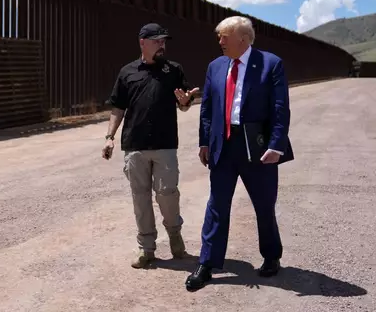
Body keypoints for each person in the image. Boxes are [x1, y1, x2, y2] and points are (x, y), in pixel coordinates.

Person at [185, 16, 294, 291]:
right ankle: (207, 263)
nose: (220, 42)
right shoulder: (216, 66)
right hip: (224, 145)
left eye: (224, 36)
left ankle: (271, 257)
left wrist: (276, 145)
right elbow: (207, 108)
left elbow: (280, 109)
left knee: (264, 204)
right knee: (217, 205)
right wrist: (204, 142)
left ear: (242, 38)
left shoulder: (271, 64)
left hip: (257, 147)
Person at [102, 23, 199, 269]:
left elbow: (184, 104)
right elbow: (118, 107)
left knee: (168, 194)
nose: (162, 45)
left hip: (165, 144)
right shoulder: (127, 72)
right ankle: (147, 249)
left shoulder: (174, 70)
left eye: (164, 41)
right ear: (142, 42)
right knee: (140, 198)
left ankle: (175, 237)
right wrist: (109, 136)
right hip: (134, 145)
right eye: (157, 41)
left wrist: (186, 102)